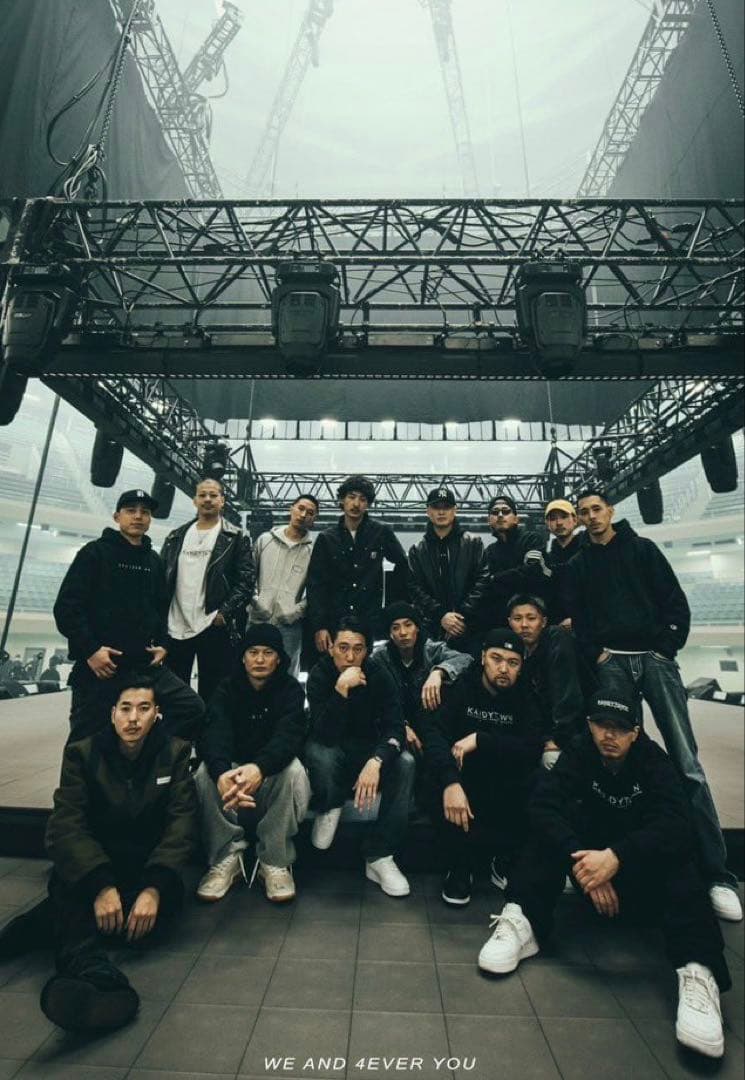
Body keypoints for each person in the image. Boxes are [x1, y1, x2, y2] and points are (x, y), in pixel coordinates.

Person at [477, 690, 732, 1061]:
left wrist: (616, 858)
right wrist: (584, 866)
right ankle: (524, 919)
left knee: (681, 861)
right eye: (601, 725)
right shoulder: (581, 751)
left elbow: (677, 826)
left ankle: (698, 969)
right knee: (546, 833)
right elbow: (543, 806)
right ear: (590, 725)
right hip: (591, 875)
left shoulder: (654, 762)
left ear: (636, 732)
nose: (609, 735)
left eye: (619, 728)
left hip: (640, 879)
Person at [565, 488, 742, 923]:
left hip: (655, 661)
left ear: (610, 511)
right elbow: (577, 620)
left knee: (687, 764)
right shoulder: (579, 564)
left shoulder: (643, 550)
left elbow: (675, 603)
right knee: (621, 763)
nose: (591, 516)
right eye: (583, 512)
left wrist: (664, 648)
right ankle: (629, 863)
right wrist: (597, 655)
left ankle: (717, 875)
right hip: (612, 663)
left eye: (596, 509)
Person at [39, 675, 197, 1032]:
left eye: (144, 708)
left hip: (146, 871)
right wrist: (100, 885)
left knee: (134, 926)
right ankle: (107, 987)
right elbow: (65, 825)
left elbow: (182, 825)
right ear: (112, 714)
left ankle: (55, 931)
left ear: (157, 714)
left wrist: (154, 888)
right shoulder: (82, 753)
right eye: (125, 709)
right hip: (98, 864)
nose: (133, 718)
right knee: (70, 891)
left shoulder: (174, 753)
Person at [54, 489, 205, 742]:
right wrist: (91, 651)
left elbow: (162, 610)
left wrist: (164, 645)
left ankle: (143, 754)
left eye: (144, 512)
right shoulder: (94, 553)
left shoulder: (154, 561)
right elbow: (66, 609)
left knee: (192, 708)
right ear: (117, 517)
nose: (138, 516)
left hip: (144, 666)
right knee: (85, 741)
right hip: (101, 668)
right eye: (131, 511)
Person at [420, 629, 544, 907]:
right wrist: (451, 782)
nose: (504, 669)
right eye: (496, 659)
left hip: (503, 783)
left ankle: (503, 858)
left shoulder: (526, 696)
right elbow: (435, 737)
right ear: (483, 657)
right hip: (464, 780)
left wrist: (481, 739)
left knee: (538, 780)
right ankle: (460, 864)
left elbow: (532, 748)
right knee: (435, 777)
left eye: (513, 662)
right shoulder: (461, 688)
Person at [193, 625, 310, 904]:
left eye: (267, 653)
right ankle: (226, 857)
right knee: (204, 773)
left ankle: (274, 860)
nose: (259, 659)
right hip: (233, 780)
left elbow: (289, 737)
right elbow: (214, 733)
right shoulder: (225, 688)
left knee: (294, 770)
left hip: (269, 776)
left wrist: (259, 768)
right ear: (243, 657)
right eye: (253, 652)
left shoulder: (291, 690)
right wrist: (222, 772)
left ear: (278, 658)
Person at [304, 616, 414, 896]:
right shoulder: (319, 674)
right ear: (331, 648)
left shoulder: (379, 674)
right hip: (331, 748)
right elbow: (323, 732)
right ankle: (330, 804)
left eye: (358, 649)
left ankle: (380, 855)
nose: (350, 657)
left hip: (368, 751)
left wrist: (377, 761)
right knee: (318, 752)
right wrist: (341, 690)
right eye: (343, 648)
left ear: (367, 651)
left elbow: (395, 727)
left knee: (406, 763)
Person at [161, 477, 255, 705]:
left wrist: (224, 613)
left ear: (222, 501)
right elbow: (162, 578)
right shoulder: (176, 536)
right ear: (195, 500)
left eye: (213, 495)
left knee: (214, 693)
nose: (208, 499)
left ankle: (210, 730)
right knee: (174, 693)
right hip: (176, 624)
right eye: (202, 495)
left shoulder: (236, 536)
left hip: (213, 623)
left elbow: (246, 581)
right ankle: (179, 730)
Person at [306, 475, 409, 652]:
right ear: (342, 500)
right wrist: (320, 626)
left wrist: (392, 606)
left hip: (369, 620)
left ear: (368, 504)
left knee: (369, 666)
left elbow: (402, 564)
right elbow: (316, 584)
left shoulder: (381, 532)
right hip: (335, 621)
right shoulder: (326, 538)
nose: (356, 504)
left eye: (362, 499)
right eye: (351, 497)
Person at [371, 602, 473, 756]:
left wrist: (439, 672)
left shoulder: (430, 649)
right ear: (390, 633)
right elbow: (377, 701)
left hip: (429, 723)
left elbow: (466, 659)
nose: (403, 633)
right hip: (393, 725)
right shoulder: (380, 657)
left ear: (417, 628)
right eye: (395, 628)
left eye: (408, 625)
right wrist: (402, 726)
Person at [507, 593, 585, 768]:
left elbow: (567, 693)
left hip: (571, 733)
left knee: (551, 761)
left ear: (543, 622)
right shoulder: (516, 654)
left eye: (531, 618)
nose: (524, 625)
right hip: (539, 736)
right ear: (509, 622)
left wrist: (559, 738)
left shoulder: (556, 638)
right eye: (517, 619)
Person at [249, 493, 319, 677]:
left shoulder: (314, 551)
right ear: (291, 509)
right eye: (300, 508)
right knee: (252, 672)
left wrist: (295, 612)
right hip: (257, 618)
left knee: (286, 675)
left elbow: (316, 590)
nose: (303, 515)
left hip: (290, 626)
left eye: (310, 513)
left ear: (314, 519)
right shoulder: (265, 540)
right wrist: (256, 601)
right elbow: (248, 576)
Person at [408, 487, 484, 654]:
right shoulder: (417, 550)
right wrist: (441, 615)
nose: (441, 512)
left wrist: (460, 617)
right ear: (428, 511)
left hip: (468, 627)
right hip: (432, 628)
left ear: (455, 510)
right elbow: (414, 588)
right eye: (436, 507)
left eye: (446, 507)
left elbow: (482, 581)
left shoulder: (474, 543)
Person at [461, 495, 548, 632]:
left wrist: (494, 578)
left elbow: (532, 573)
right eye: (495, 512)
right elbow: (484, 586)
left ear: (516, 519)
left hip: (530, 618)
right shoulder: (489, 552)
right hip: (501, 619)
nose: (500, 515)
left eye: (506, 511)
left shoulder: (531, 540)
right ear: (489, 521)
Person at [542, 498, 586, 625]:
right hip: (556, 626)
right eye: (553, 519)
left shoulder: (588, 552)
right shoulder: (546, 560)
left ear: (575, 520)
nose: (559, 522)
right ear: (548, 524)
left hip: (589, 623)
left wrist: (578, 619)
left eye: (564, 516)